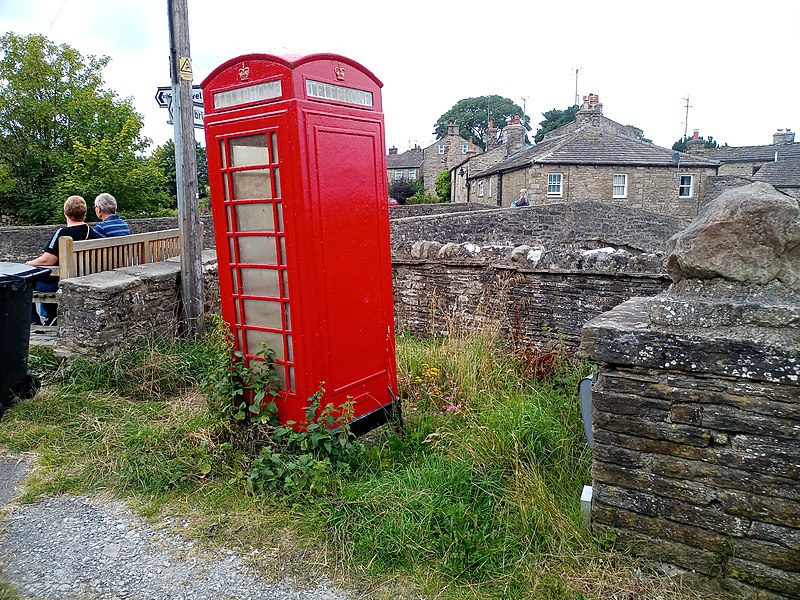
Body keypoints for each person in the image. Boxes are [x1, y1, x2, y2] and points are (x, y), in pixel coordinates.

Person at [27, 195, 98, 325]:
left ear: (65, 213)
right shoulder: (92, 232)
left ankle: (34, 321)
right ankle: (51, 317)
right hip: (84, 277)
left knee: (24, 281)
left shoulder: (62, 233)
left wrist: (28, 264)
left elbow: (47, 260)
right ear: (84, 214)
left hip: (63, 282)